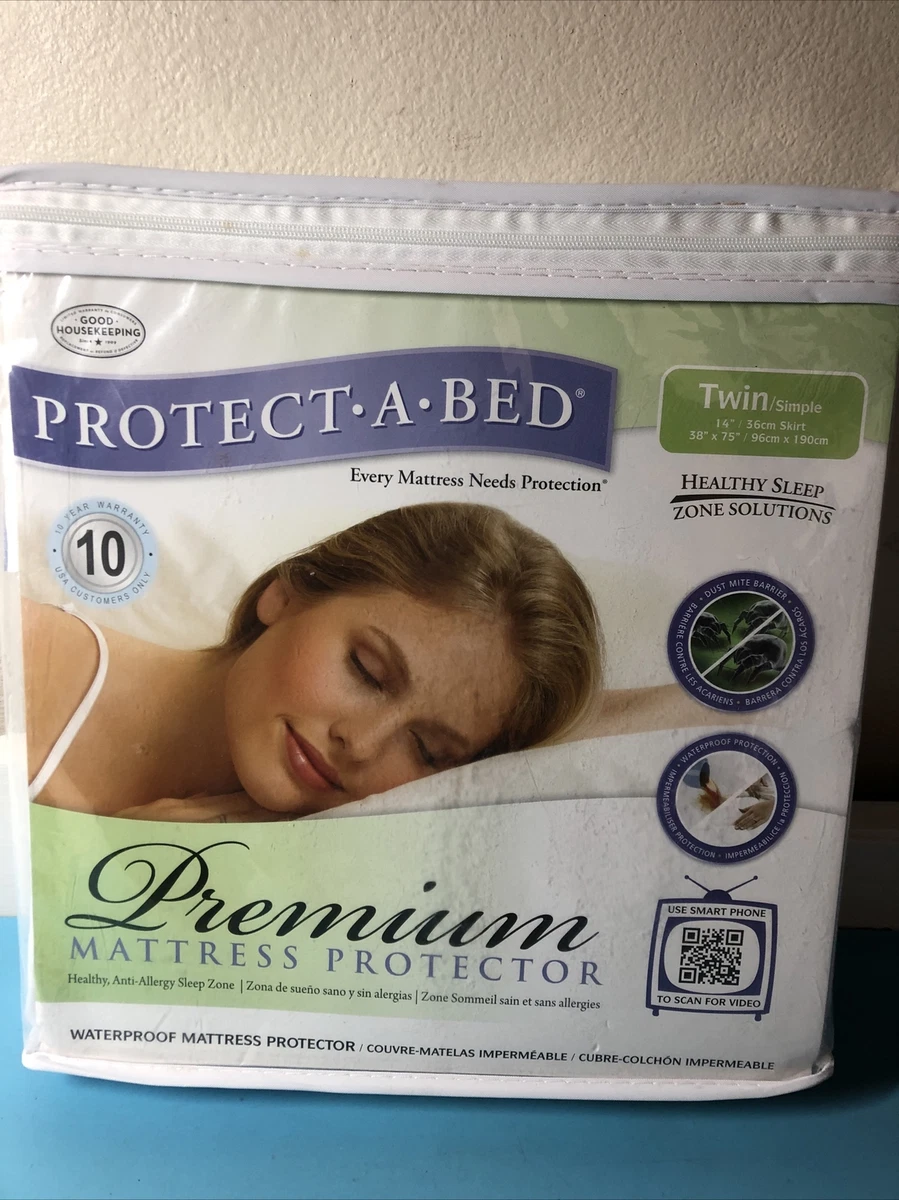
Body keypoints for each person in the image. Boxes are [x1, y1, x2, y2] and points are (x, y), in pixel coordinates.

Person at [24, 501, 722, 823]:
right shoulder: (25, 657)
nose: (360, 744)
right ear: (286, 592)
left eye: (427, 749)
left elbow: (702, 710)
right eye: (366, 670)